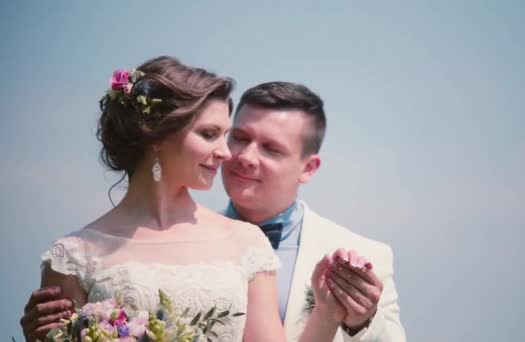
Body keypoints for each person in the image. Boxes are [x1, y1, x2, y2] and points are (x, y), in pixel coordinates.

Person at [19, 57, 338, 342]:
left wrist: (327, 313)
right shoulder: (74, 255)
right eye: (209, 134)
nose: (226, 153)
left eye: (226, 136)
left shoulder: (247, 243)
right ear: (156, 133)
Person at [221, 81, 407, 341]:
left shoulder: (367, 255)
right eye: (239, 138)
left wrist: (361, 322)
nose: (246, 157)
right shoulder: (175, 239)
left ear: (308, 168)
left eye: (271, 148)